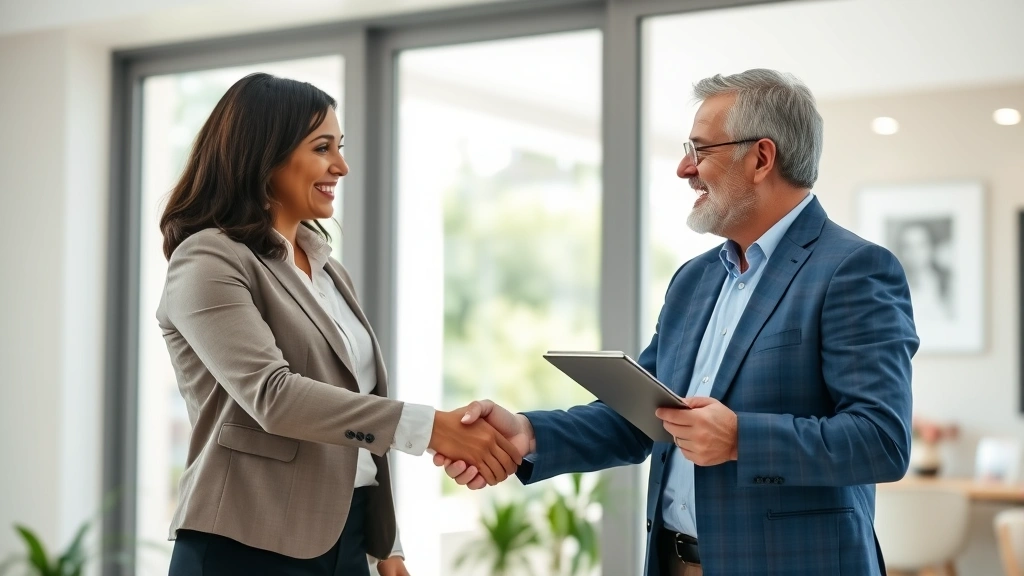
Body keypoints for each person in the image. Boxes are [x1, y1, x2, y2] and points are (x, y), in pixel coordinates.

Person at [433, 69, 919, 576]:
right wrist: (530, 434)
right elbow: (646, 417)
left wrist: (740, 440)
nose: (684, 169)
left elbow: (881, 440)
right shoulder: (694, 280)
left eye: (700, 149)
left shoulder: (853, 269)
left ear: (761, 158)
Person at [157, 73, 521, 576]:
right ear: (264, 155)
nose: (341, 166)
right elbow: (274, 397)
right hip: (245, 543)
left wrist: (385, 545)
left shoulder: (326, 267)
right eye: (322, 147)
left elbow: (352, 406)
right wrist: (430, 428)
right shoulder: (207, 259)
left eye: (340, 146)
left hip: (345, 542)